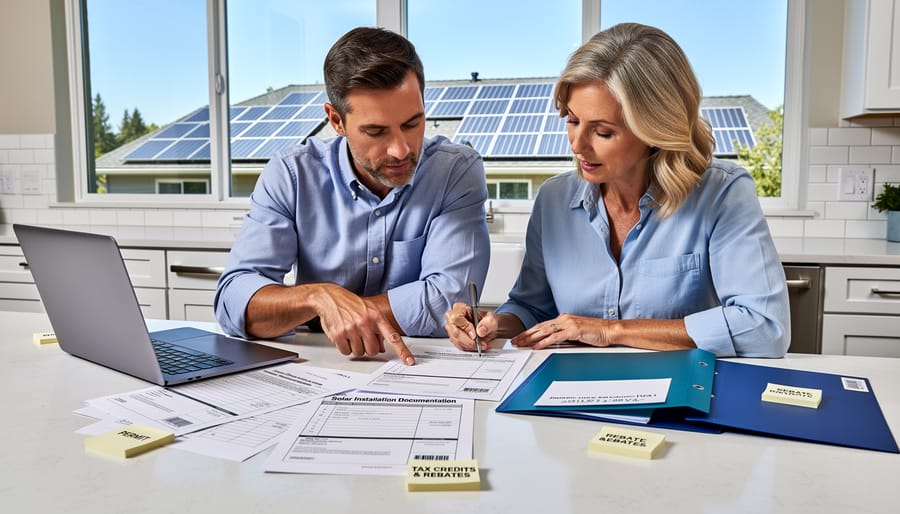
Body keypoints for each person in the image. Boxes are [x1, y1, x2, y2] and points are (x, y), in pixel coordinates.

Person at [444, 22, 789, 358]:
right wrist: (492, 325)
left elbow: (764, 327)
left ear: (654, 130)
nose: (577, 145)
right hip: (575, 387)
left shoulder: (723, 193)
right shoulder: (553, 200)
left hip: (682, 387)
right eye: (573, 121)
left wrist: (611, 331)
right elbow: (532, 308)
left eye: (603, 132)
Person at [216, 27, 491, 365]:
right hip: (318, 368)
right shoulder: (291, 175)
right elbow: (234, 303)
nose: (401, 150)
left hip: (418, 367)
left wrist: (330, 313)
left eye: (412, 124)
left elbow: (448, 301)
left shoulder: (455, 171)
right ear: (336, 120)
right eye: (376, 131)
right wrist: (319, 298)